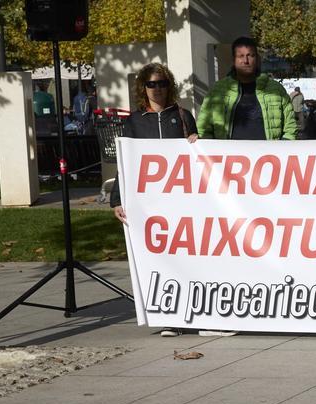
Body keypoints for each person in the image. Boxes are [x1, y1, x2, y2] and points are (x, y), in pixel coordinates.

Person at [111, 63, 198, 338]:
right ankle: (170, 317)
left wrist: (197, 141)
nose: (157, 88)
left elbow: (197, 157)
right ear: (143, 87)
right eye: (151, 84)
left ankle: (195, 311)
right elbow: (125, 163)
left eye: (162, 83)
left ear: (169, 85)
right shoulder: (135, 121)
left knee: (187, 257)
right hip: (150, 204)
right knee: (160, 259)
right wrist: (117, 199)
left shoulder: (183, 116)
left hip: (182, 200)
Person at [197, 36, 297, 140]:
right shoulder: (218, 91)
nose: (246, 61)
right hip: (229, 151)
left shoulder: (276, 90)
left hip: (268, 151)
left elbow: (290, 128)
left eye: (250, 56)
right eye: (241, 56)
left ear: (257, 59)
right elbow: (203, 130)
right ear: (233, 60)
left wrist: (282, 147)